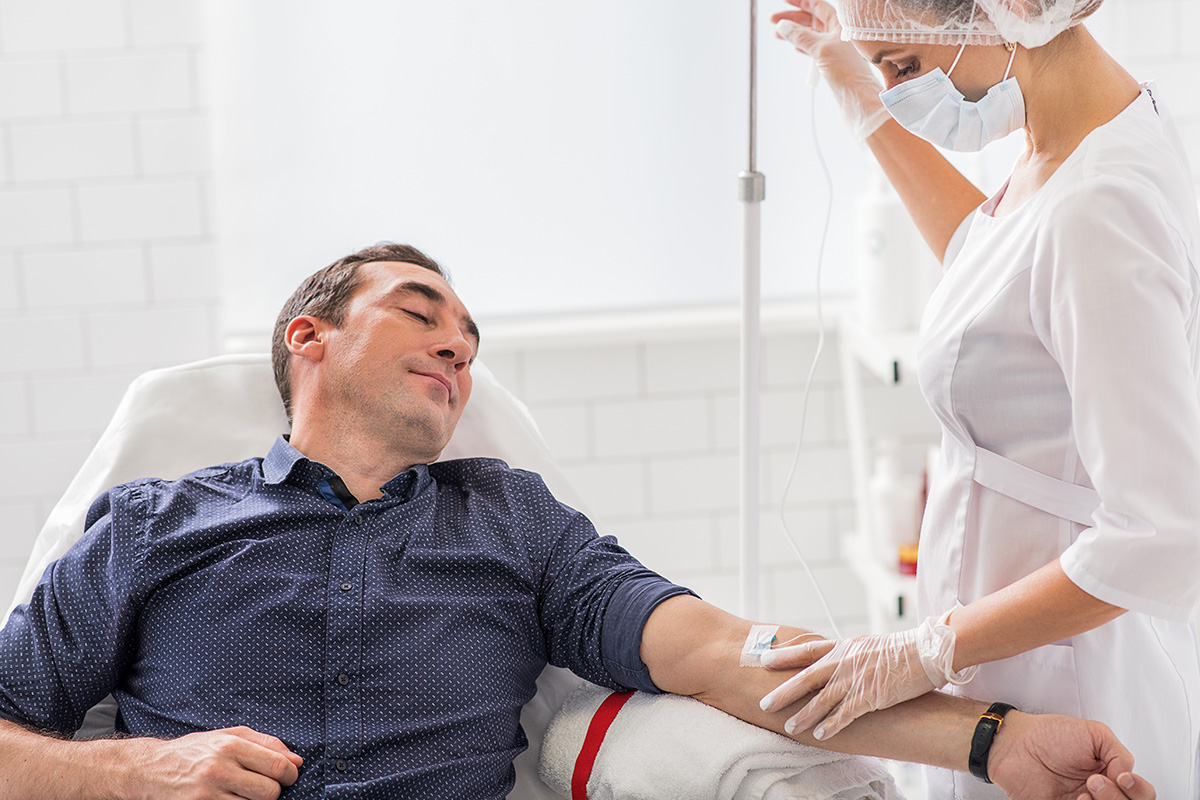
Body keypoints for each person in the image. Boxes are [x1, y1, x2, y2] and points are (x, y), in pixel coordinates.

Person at [0, 244, 1154, 799]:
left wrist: (994, 737)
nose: (459, 344)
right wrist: (139, 770)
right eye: (421, 313)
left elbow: (722, 653)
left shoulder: (508, 517)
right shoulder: (155, 524)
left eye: (470, 337)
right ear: (308, 339)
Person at [762, 0, 1200, 797]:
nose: (896, 95)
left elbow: (1160, 537)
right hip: (1012, 656)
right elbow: (990, 261)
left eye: (900, 67)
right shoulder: (1067, 140)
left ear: (1002, 15)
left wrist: (925, 653)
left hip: (1074, 685)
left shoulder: (1101, 207)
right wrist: (845, 72)